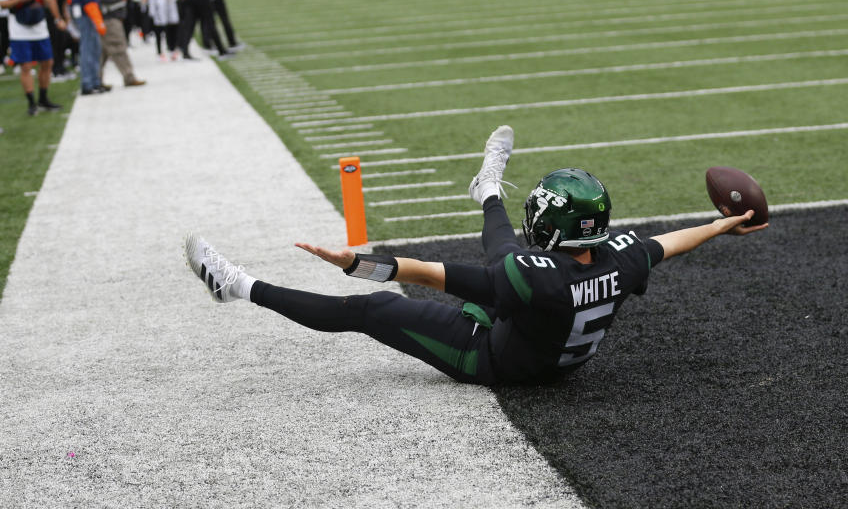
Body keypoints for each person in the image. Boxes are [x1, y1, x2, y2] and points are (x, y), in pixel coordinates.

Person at [184, 126, 768, 385]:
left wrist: (352, 263)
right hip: (547, 335)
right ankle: (486, 186)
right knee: (506, 261)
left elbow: (423, 274)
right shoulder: (622, 258)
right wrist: (723, 223)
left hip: (499, 362)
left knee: (374, 310)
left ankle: (236, 285)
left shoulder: (531, 277)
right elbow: (671, 241)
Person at [0, 0, 65, 114]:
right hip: (19, 27)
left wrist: (57, 17)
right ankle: (31, 102)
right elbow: (3, 3)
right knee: (26, 66)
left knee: (47, 62)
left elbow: (50, 0)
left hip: (39, 25)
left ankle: (43, 98)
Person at [93, 0, 144, 87]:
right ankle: (129, 77)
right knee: (118, 47)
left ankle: (96, 80)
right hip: (109, 19)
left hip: (110, 18)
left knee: (103, 52)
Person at [70, 0, 107, 94]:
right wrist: (98, 21)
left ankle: (94, 81)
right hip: (86, 14)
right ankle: (88, 83)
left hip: (87, 13)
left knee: (94, 48)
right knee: (89, 48)